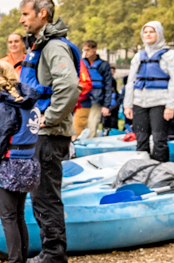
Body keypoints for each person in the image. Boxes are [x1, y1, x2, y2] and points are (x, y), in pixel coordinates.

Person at [19, 0, 80, 263]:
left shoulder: (54, 47)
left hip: (49, 133)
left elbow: (69, 86)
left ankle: (56, 260)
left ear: (42, 13)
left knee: (46, 197)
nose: (22, 20)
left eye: (26, 14)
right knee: (40, 195)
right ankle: (48, 252)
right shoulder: (41, 45)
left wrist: (50, 117)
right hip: (40, 132)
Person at [0, 60, 41, 263]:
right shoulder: (31, 103)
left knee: (8, 217)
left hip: (10, 167)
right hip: (28, 164)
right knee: (19, 216)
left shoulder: (5, 108)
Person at [124, 22, 174, 162]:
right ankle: (143, 168)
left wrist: (171, 106)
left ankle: (160, 169)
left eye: (152, 31)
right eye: (145, 32)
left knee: (159, 140)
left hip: (160, 103)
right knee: (141, 139)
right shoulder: (138, 56)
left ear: (159, 33)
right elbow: (131, 82)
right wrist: (127, 105)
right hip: (139, 103)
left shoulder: (169, 55)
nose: (148, 34)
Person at [74, 40, 114, 138]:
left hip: (96, 100)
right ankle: (76, 144)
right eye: (84, 50)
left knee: (92, 126)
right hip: (82, 100)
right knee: (77, 126)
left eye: (88, 50)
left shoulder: (103, 65)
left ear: (95, 49)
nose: (86, 53)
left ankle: (90, 144)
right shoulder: (80, 63)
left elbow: (108, 86)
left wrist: (106, 105)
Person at [0, 33, 27, 118]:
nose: (13, 44)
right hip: (5, 110)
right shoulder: (0, 63)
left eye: (16, 41)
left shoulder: (31, 62)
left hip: (25, 107)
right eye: (10, 42)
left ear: (23, 44)